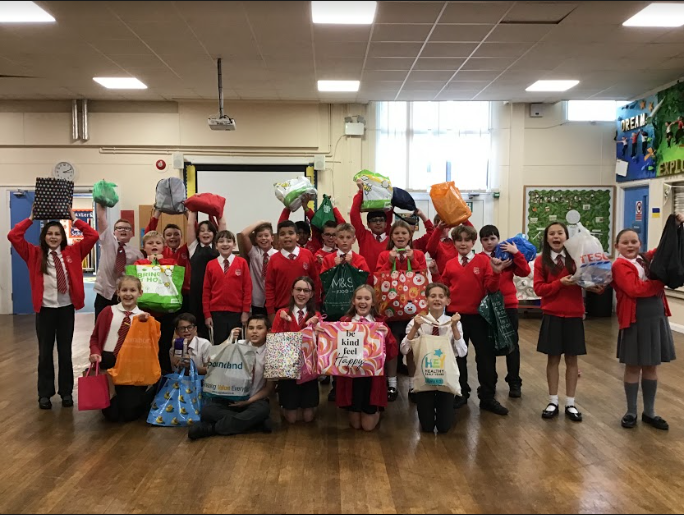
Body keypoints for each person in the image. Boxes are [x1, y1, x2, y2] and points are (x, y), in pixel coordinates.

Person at [8, 207, 99, 409]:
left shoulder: (73, 252)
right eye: (50, 233)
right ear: (44, 235)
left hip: (66, 309)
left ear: (62, 236)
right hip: (45, 310)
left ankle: (66, 392)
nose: (54, 237)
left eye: (57, 233)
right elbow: (13, 235)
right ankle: (45, 394)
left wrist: (75, 219)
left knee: (65, 353)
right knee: (45, 353)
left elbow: (93, 235)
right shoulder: (33, 253)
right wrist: (31, 217)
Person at [611, 220, 684, 430]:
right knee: (633, 366)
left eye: (634, 241)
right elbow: (635, 289)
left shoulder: (645, 259)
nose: (630, 245)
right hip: (635, 319)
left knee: (651, 366)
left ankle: (650, 411)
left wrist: (675, 227)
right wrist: (660, 282)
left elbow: (665, 248)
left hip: (655, 317)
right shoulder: (619, 265)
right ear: (617, 246)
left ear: (640, 243)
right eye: (625, 242)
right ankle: (631, 411)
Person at [533, 222, 601, 423]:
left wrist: (595, 286)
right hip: (552, 315)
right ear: (546, 238)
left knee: (572, 360)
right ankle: (553, 400)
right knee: (552, 359)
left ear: (566, 236)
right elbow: (539, 289)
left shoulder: (576, 258)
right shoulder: (540, 261)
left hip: (573, 315)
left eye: (560, 233)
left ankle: (570, 403)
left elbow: (590, 280)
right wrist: (559, 283)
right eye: (551, 233)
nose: (556, 237)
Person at [440, 224, 508, 415]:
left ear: (473, 242)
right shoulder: (450, 264)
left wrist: (496, 272)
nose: (463, 243)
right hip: (456, 318)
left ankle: (487, 396)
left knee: (486, 358)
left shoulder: (483, 261)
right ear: (454, 243)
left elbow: (492, 288)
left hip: (480, 317)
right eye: (459, 240)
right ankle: (460, 393)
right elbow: (444, 289)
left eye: (466, 240)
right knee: (458, 357)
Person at [188, 315, 275, 440]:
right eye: (251, 328)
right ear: (246, 330)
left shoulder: (271, 353)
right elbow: (213, 359)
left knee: (262, 410)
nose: (254, 331)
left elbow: (268, 389)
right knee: (207, 410)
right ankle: (255, 424)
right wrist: (228, 340)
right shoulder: (238, 344)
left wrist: (247, 402)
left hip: (254, 400)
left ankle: (212, 429)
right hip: (230, 397)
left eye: (259, 328)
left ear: (268, 331)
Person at [88, 275, 159, 422]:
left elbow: (152, 344)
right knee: (112, 415)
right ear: (117, 292)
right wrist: (95, 353)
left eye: (132, 290)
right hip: (109, 362)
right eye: (124, 290)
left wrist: (148, 325)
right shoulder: (108, 312)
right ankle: (114, 395)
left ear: (140, 293)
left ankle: (148, 394)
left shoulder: (144, 317)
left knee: (129, 414)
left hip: (131, 367)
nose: (128, 294)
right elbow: (94, 338)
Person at [327, 285, 397, 431]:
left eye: (366, 298)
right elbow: (332, 349)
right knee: (356, 424)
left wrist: (387, 337)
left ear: (373, 302)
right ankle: (356, 409)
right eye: (359, 298)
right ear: (353, 301)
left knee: (367, 426)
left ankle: (377, 411)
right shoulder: (344, 322)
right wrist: (324, 332)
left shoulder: (380, 324)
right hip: (351, 377)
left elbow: (392, 354)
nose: (362, 302)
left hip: (372, 378)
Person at [401, 283, 467, 433]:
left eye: (441, 296)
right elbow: (404, 349)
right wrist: (415, 329)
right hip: (424, 377)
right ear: (426, 300)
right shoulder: (417, 322)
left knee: (444, 427)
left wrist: (455, 328)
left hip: (446, 376)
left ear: (447, 301)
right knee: (427, 427)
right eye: (433, 296)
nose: (437, 299)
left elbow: (462, 352)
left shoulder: (453, 323)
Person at [376, 220, 427, 402]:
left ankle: (413, 385)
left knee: (412, 348)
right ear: (391, 237)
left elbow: (422, 276)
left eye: (404, 233)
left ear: (410, 236)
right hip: (391, 311)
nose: (400, 236)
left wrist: (412, 259)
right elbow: (379, 278)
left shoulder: (419, 254)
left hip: (413, 313)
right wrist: (390, 261)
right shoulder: (384, 255)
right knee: (393, 347)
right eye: (396, 233)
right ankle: (392, 385)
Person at [478, 225, 530, 398]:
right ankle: (489, 382)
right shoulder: (479, 258)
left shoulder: (507, 254)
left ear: (498, 239)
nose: (489, 242)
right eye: (485, 239)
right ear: (481, 242)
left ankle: (514, 381)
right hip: (488, 309)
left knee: (512, 345)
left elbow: (525, 271)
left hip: (508, 306)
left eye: (493, 238)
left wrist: (516, 253)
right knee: (487, 346)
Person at [272, 277, 321, 423]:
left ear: (311, 294)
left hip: (308, 371)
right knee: (292, 419)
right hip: (288, 369)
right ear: (292, 292)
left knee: (308, 418)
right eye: (298, 289)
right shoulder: (281, 313)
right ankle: (287, 405)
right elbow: (275, 341)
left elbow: (320, 345)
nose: (302, 293)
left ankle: (306, 406)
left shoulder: (316, 316)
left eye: (306, 290)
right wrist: (284, 323)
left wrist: (316, 331)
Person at [134, 230, 179, 373]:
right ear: (144, 247)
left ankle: (164, 379)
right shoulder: (139, 263)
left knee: (164, 347)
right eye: (150, 243)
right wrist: (150, 262)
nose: (154, 245)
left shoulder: (170, 262)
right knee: (146, 347)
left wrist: (160, 262)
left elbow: (175, 279)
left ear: (164, 247)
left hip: (165, 313)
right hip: (146, 313)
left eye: (158, 243)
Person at [93, 203, 143, 320]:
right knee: (102, 330)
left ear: (131, 234)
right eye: (119, 228)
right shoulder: (107, 243)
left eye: (127, 228)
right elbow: (101, 220)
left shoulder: (137, 253)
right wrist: (100, 203)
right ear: (114, 232)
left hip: (125, 296)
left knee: (123, 328)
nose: (123, 230)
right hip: (104, 293)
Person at [265, 220, 321, 323]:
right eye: (282, 234)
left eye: (291, 233)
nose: (287, 236)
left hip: (306, 309)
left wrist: (315, 305)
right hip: (282, 310)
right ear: (278, 239)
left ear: (297, 237)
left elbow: (315, 281)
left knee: (306, 338)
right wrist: (271, 313)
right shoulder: (273, 259)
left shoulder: (307, 255)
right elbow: (269, 287)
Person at [203, 230, 252, 346]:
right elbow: (206, 291)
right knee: (219, 345)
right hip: (216, 313)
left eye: (229, 241)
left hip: (237, 313)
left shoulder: (242, 263)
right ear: (216, 245)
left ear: (234, 244)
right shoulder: (211, 265)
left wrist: (245, 311)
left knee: (236, 345)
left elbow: (248, 288)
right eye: (221, 241)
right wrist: (207, 314)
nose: (225, 244)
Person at [187, 210, 225, 340]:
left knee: (214, 327)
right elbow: (190, 225)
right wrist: (192, 210)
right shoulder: (193, 248)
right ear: (197, 234)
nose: (205, 233)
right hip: (197, 295)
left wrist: (220, 210)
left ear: (215, 234)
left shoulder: (219, 248)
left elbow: (223, 225)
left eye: (209, 230)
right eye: (202, 230)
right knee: (198, 327)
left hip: (215, 294)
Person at [144, 209, 190, 310]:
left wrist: (188, 214)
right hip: (164, 293)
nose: (173, 237)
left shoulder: (187, 250)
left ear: (181, 237)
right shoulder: (160, 251)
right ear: (164, 239)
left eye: (176, 234)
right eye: (169, 235)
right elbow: (149, 235)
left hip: (184, 293)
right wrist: (157, 213)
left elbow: (194, 232)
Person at [278, 193, 346, 254]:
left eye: (305, 233)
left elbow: (315, 221)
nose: (302, 236)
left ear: (309, 234)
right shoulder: (289, 245)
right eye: (299, 233)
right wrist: (288, 208)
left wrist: (332, 206)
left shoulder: (315, 244)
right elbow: (281, 227)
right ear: (296, 235)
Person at [350, 179, 393, 271]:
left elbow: (389, 211)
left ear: (386, 224)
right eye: (374, 221)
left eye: (381, 220)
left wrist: (389, 192)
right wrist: (361, 192)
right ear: (368, 224)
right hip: (366, 282)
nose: (378, 223)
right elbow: (354, 215)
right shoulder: (363, 236)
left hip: (386, 281)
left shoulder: (392, 238)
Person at [238, 220, 277, 317]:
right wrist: (262, 222)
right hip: (257, 299)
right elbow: (244, 234)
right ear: (255, 239)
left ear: (272, 238)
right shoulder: (254, 253)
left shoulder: (277, 255)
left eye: (266, 235)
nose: (263, 238)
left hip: (274, 299)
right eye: (260, 236)